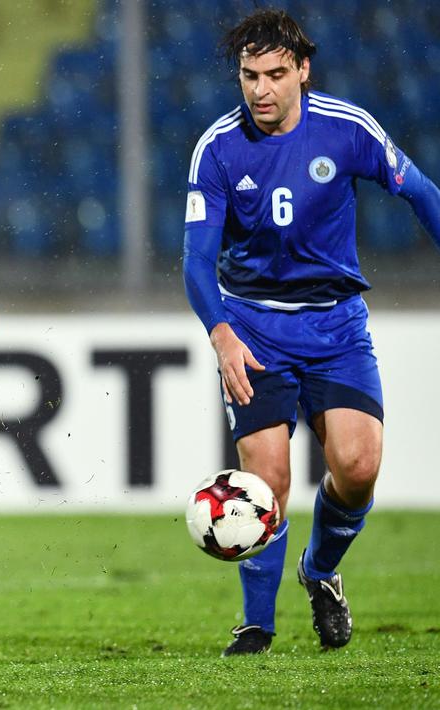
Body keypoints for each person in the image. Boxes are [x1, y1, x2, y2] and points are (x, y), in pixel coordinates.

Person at [182, 9, 440, 656]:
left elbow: (421, 192)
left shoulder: (346, 129)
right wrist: (218, 331)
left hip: (333, 324)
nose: (260, 89)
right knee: (265, 479)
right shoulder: (216, 147)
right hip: (252, 328)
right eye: (248, 76)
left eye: (274, 74)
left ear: (302, 70)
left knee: (357, 468)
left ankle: (318, 571)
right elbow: (193, 260)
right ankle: (255, 627)